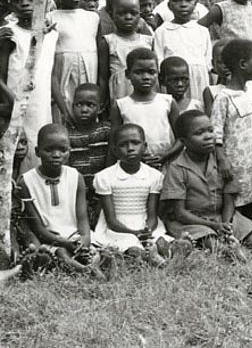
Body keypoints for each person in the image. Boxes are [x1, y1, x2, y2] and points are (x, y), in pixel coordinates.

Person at [161, 110, 252, 259]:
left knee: (243, 227)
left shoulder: (222, 162)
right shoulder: (177, 168)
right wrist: (214, 226)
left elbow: (229, 199)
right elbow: (180, 212)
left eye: (210, 130)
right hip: (190, 220)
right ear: (184, 141)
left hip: (220, 215)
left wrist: (225, 223)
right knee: (208, 236)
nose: (208, 136)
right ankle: (230, 254)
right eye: (199, 133)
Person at [16, 124, 109, 278]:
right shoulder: (26, 182)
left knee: (98, 250)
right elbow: (37, 227)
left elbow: (82, 218)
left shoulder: (75, 177)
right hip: (49, 238)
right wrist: (64, 243)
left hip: (74, 236)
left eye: (62, 150)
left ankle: (90, 263)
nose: (56, 155)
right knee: (60, 253)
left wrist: (84, 241)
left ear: (69, 151)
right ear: (37, 151)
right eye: (49, 150)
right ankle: (84, 270)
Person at [0, 0, 60, 169]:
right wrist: (14, 101)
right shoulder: (8, 34)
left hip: (40, 106)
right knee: (16, 152)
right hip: (13, 106)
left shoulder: (50, 34)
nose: (24, 3)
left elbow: (51, 75)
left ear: (41, 0)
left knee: (39, 148)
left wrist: (63, 107)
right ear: (10, 3)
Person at [92, 124, 171, 264]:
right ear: (115, 150)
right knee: (131, 246)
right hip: (118, 228)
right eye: (123, 145)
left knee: (161, 241)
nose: (130, 148)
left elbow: (152, 215)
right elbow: (111, 220)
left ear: (145, 146)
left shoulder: (154, 176)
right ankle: (143, 256)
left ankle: (164, 252)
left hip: (146, 224)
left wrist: (147, 231)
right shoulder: (105, 177)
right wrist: (134, 233)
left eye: (135, 143)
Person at [211, 39, 252, 214]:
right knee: (239, 196)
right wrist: (223, 161)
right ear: (243, 64)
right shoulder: (224, 97)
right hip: (237, 161)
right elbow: (216, 133)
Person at [111, 48, 181, 170]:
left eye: (151, 72)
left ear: (157, 74)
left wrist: (165, 156)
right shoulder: (120, 105)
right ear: (128, 74)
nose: (146, 77)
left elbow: (182, 138)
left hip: (168, 164)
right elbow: (114, 142)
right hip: (135, 166)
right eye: (139, 72)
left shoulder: (168, 102)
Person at [48, 0, 101, 123]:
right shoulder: (50, 18)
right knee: (65, 116)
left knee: (87, 112)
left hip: (89, 72)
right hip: (63, 73)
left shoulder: (93, 18)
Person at [154, 0, 212, 100]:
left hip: (199, 79)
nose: (183, 4)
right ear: (169, 6)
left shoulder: (202, 31)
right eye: (177, 0)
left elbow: (208, 64)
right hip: (174, 82)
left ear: (195, 3)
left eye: (188, 0)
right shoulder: (162, 31)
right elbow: (159, 62)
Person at [65, 83, 113, 228]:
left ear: (100, 108)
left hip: (103, 190)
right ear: (72, 106)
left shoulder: (106, 130)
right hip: (78, 192)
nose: (84, 109)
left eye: (90, 105)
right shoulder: (67, 134)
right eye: (79, 105)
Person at [97, 0, 154, 106]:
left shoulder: (148, 41)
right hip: (120, 93)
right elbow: (103, 77)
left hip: (146, 93)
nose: (128, 17)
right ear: (112, 14)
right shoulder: (108, 41)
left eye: (133, 13)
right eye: (122, 13)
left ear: (140, 14)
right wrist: (102, 102)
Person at [203, 39, 230, 116]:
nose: (225, 66)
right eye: (220, 62)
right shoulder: (211, 91)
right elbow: (211, 120)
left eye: (229, 61)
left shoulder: (248, 88)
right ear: (213, 64)